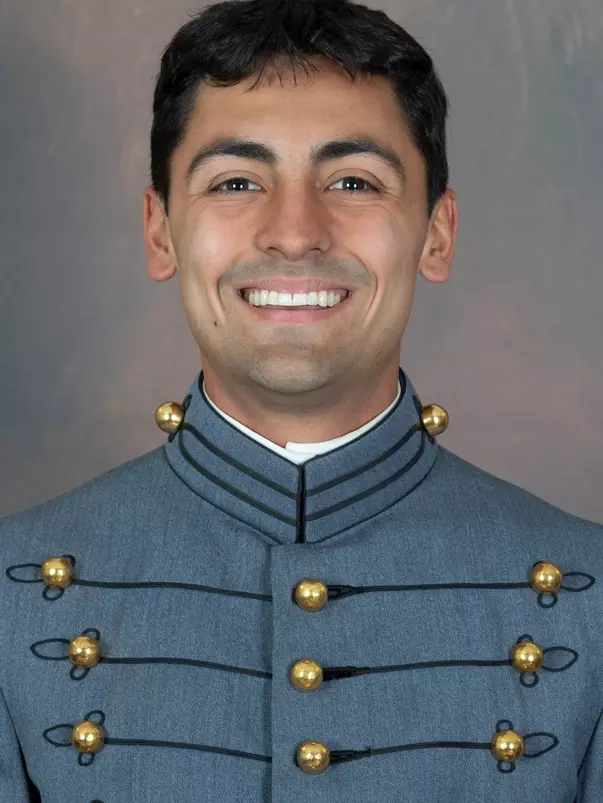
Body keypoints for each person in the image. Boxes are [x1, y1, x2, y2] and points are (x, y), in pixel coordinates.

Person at [1, 0, 601, 800]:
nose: (293, 232)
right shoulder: (12, 594)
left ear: (435, 234)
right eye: (236, 181)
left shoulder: (587, 595)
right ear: (160, 232)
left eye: (352, 180)